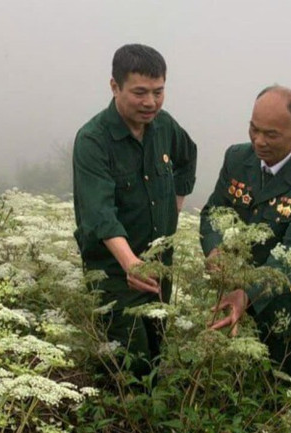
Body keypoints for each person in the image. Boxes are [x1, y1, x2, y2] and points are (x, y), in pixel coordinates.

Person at [72, 44, 197, 379]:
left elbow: (187, 157)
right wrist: (131, 263)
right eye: (140, 93)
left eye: (158, 92)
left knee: (156, 349)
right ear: (114, 87)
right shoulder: (93, 140)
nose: (151, 103)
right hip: (113, 270)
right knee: (129, 361)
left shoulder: (164, 126)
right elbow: (99, 212)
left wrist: (176, 205)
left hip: (158, 266)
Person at [199, 85, 291, 383]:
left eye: (271, 134)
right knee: (230, 386)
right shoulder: (236, 158)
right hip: (231, 293)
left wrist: (247, 295)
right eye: (253, 129)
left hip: (284, 309)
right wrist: (214, 250)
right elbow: (213, 213)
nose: (259, 141)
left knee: (279, 394)